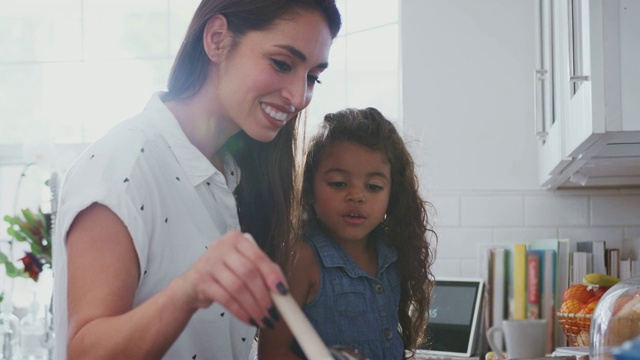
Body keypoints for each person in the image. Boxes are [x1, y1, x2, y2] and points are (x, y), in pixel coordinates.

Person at [52, 0, 341, 359]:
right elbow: (84, 351)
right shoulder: (123, 167)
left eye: (312, 77)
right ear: (217, 39)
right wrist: (188, 290)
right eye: (282, 64)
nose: (300, 97)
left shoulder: (231, 172)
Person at [258, 107, 437, 359]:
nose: (356, 196)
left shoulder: (392, 251)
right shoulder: (302, 258)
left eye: (374, 187)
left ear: (392, 194)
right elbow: (271, 353)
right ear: (309, 188)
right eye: (338, 183)